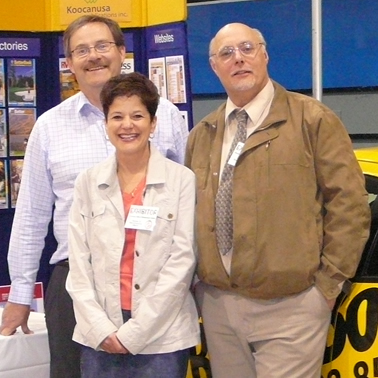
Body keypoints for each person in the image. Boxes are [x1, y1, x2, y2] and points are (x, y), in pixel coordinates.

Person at [0, 15, 188, 378]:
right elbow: (31, 215)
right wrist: (20, 293)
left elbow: (188, 201)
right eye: (81, 50)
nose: (94, 56)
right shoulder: (50, 126)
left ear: (122, 52)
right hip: (76, 284)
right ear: (68, 64)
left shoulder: (165, 116)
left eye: (103, 46)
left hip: (155, 282)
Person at [185, 23, 371, 378]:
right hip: (220, 308)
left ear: (265, 55)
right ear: (214, 67)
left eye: (247, 48)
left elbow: (349, 205)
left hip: (293, 306)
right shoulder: (203, 135)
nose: (238, 58)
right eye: (226, 53)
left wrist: (326, 286)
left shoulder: (311, 119)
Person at [66, 72, 199, 378]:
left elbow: (182, 262)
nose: (127, 125)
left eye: (137, 116)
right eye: (117, 117)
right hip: (99, 334)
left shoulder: (181, 180)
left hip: (162, 336)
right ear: (106, 123)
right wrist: (101, 328)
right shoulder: (88, 182)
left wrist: (135, 333)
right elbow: (78, 264)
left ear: (153, 124)